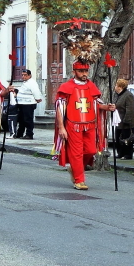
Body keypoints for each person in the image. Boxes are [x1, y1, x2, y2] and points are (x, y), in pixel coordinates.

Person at [54, 61, 115, 190]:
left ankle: (75, 170)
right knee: (76, 153)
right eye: (81, 71)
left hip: (90, 124)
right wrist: (61, 128)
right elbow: (60, 109)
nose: (84, 74)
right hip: (73, 125)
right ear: (74, 72)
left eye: (86, 71)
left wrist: (107, 107)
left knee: (91, 150)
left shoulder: (91, 86)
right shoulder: (66, 87)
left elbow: (95, 104)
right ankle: (79, 180)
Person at [15, 69, 43, 140]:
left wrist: (38, 98)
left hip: (28, 104)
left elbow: (35, 91)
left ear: (29, 76)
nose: (23, 76)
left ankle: (29, 134)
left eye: (25, 75)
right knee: (21, 120)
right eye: (22, 75)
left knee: (28, 120)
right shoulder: (25, 82)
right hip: (22, 104)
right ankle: (19, 133)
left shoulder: (32, 83)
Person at [114, 78, 134, 160]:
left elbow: (130, 109)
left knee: (127, 139)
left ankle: (128, 155)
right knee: (119, 138)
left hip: (126, 121)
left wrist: (127, 121)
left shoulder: (128, 95)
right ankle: (120, 153)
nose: (115, 87)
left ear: (120, 87)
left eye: (116, 85)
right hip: (119, 121)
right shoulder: (119, 95)